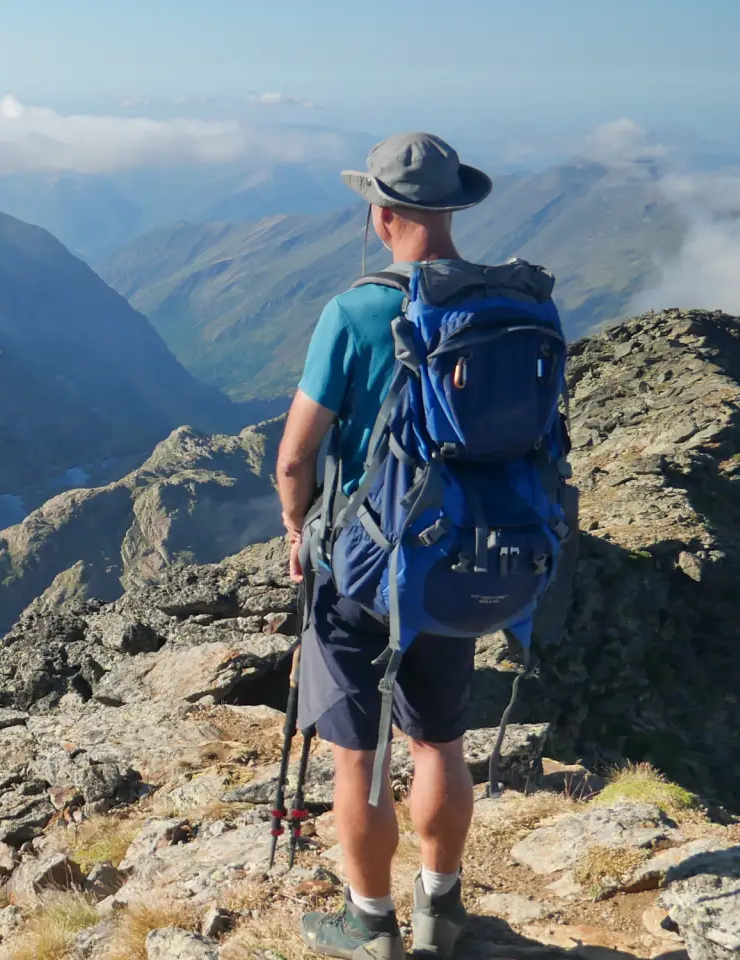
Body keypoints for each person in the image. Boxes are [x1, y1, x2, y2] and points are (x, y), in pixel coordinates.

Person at [277, 132, 495, 960]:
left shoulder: (358, 310)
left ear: (382, 214)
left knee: (355, 753)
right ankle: (441, 914)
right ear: (451, 210)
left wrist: (299, 531)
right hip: (456, 559)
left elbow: (296, 456)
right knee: (439, 740)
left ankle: (371, 925)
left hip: (361, 568)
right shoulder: (505, 307)